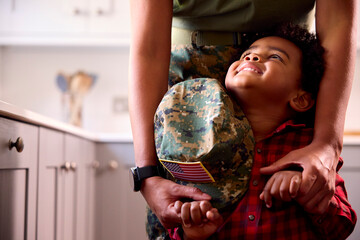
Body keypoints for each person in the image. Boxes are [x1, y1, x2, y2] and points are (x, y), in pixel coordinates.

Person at [128, 0, 357, 239]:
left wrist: (326, 144)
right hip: (188, 98)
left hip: (292, 81)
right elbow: (149, 50)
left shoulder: (297, 142)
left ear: (302, 98)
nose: (252, 58)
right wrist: (148, 175)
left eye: (273, 57)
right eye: (249, 54)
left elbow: (338, 21)